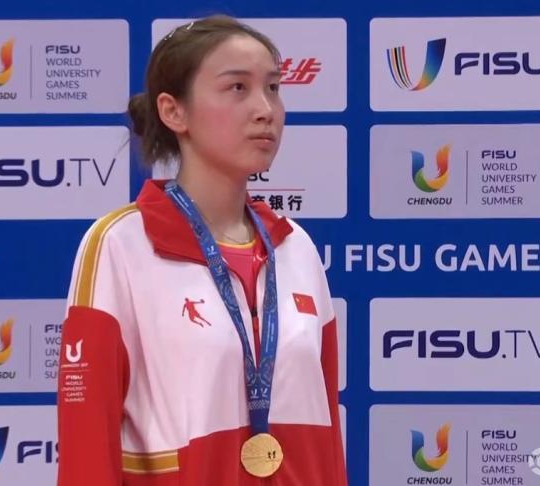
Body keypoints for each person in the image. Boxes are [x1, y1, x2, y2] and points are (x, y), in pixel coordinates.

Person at [57, 14, 347, 486]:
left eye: (273, 88)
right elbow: (86, 444)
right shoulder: (120, 245)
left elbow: (328, 438)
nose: (265, 110)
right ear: (174, 112)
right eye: (237, 88)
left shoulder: (296, 246)